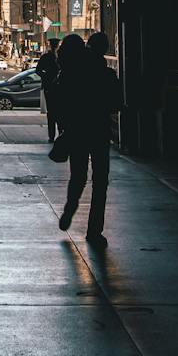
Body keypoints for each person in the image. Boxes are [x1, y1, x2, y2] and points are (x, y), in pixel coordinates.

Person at [51, 31, 118, 247]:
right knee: (100, 182)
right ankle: (94, 231)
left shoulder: (69, 74)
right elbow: (116, 104)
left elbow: (58, 104)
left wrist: (65, 126)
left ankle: (70, 209)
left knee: (78, 176)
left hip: (76, 132)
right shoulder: (106, 75)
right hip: (99, 132)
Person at [36, 36, 61, 142]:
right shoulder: (47, 57)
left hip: (59, 86)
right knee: (52, 112)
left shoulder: (60, 55)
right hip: (50, 86)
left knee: (56, 112)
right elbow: (38, 70)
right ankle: (52, 135)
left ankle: (58, 134)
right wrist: (46, 77)